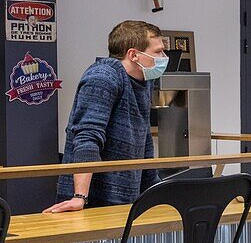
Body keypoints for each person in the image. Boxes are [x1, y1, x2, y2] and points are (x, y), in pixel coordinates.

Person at [45, 21, 166, 214]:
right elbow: (87, 137)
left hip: (126, 197)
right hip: (93, 201)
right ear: (134, 55)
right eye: (158, 51)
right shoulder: (103, 77)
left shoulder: (144, 81)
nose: (163, 58)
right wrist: (80, 197)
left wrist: (157, 193)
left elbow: (144, 141)